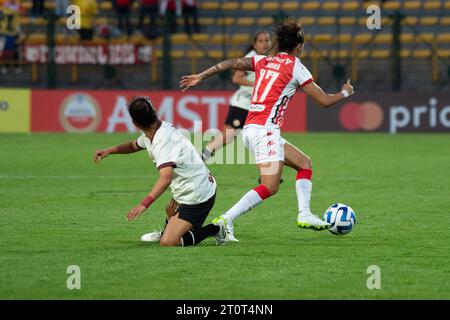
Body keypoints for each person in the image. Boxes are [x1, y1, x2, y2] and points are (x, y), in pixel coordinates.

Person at [180, 18, 355, 241]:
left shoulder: (263, 60)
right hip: (265, 131)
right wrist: (346, 93)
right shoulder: (296, 66)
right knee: (270, 186)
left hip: (252, 129)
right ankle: (225, 220)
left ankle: (305, 213)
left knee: (304, 163)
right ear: (299, 46)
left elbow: (230, 63)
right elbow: (324, 101)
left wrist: (201, 76)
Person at [93, 97, 226, 247]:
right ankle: (170, 229)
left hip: (198, 196)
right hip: (192, 186)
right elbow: (134, 145)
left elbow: (166, 178)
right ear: (154, 112)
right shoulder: (154, 131)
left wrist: (144, 205)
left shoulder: (163, 141)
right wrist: (109, 151)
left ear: (135, 123)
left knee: (169, 242)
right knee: (170, 209)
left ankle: (215, 228)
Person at [202, 30, 271, 162]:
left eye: (267, 40)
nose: (265, 44)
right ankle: (202, 157)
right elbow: (237, 79)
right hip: (243, 104)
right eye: (261, 41)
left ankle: (267, 173)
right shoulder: (250, 58)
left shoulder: (267, 59)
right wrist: (258, 85)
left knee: (262, 137)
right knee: (229, 136)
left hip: (254, 105)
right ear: (255, 45)